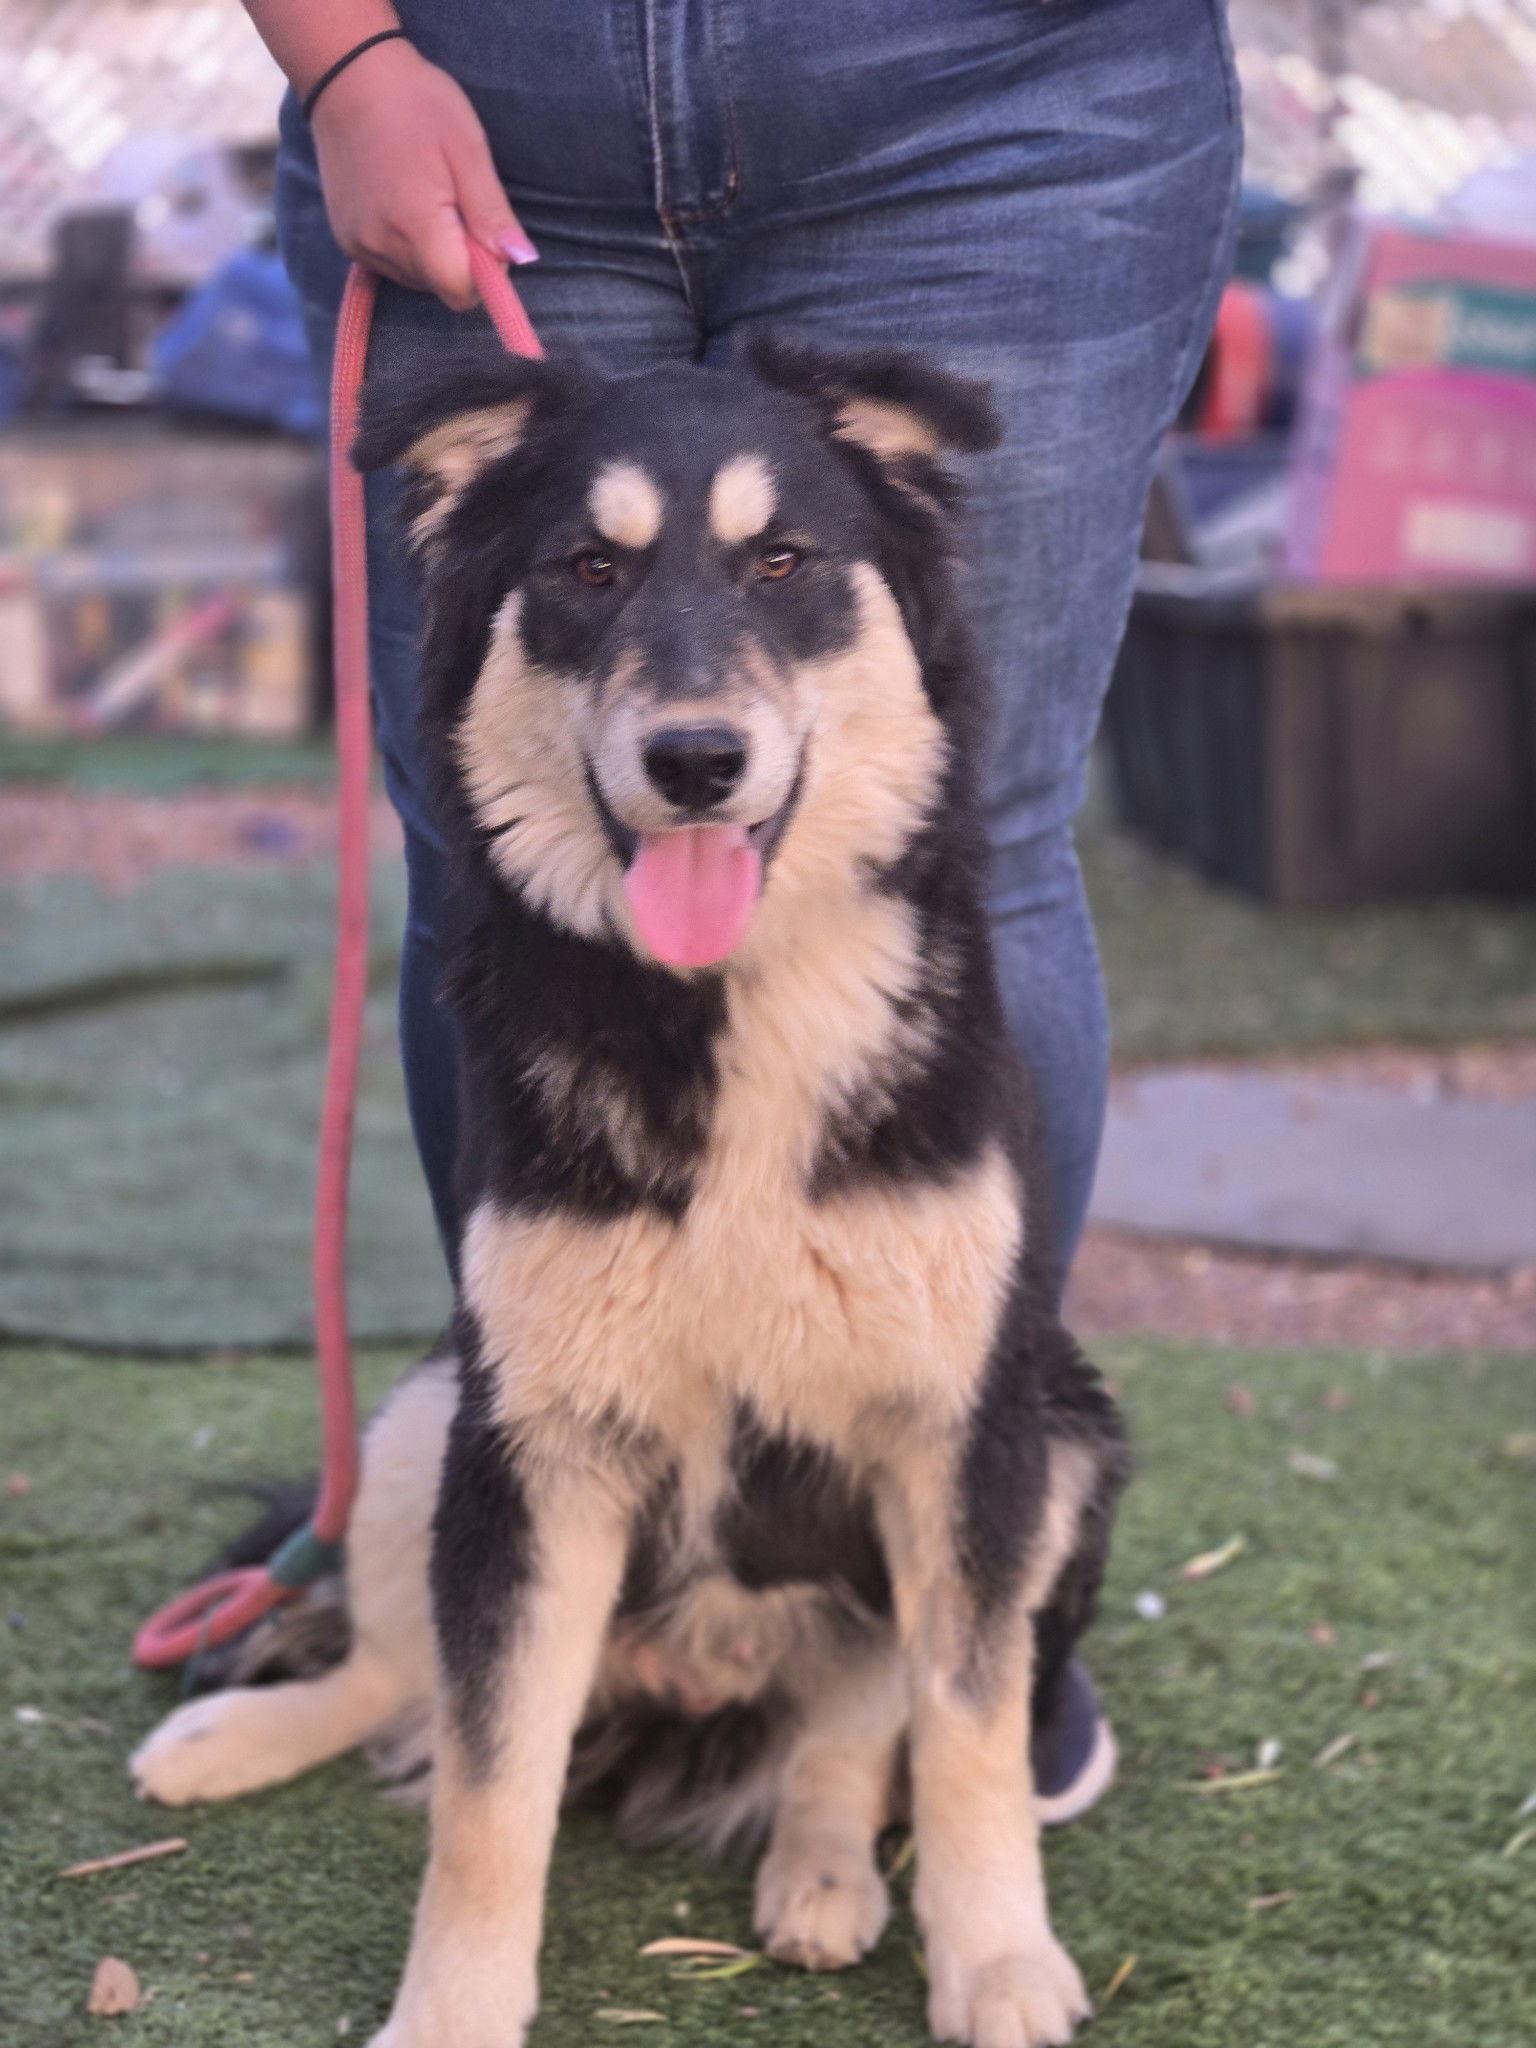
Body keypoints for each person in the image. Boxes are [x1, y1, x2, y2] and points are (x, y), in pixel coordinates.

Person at [245, 0, 1241, 1820]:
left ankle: (946, 1592)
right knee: (503, 843)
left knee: (983, 837)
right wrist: (343, 57)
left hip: (1002, 107)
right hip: (473, 88)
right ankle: (578, 1547)